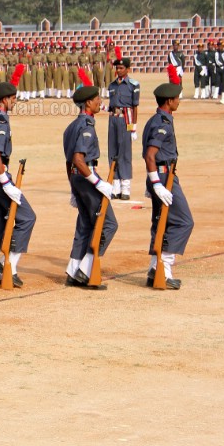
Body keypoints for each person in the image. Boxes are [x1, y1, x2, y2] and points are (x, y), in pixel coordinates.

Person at [0, 81, 35, 287]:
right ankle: (8, 265)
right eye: (13, 99)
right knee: (27, 217)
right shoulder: (2, 121)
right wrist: (6, 183)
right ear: (4, 100)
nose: (15, 102)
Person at [62, 84, 117, 289]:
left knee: (85, 225)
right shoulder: (86, 125)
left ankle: (72, 268)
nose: (100, 102)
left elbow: (69, 162)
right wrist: (97, 182)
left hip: (77, 178)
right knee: (108, 223)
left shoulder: (71, 127)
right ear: (88, 103)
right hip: (87, 176)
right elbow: (78, 159)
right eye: (97, 99)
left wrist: (73, 188)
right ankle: (85, 270)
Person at [142, 83, 194, 289]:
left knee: (161, 222)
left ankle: (155, 269)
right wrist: (156, 183)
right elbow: (150, 155)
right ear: (169, 101)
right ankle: (166, 268)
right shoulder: (162, 122)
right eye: (177, 98)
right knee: (183, 221)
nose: (179, 101)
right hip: (164, 178)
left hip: (162, 176)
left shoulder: (155, 119)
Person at [107, 57, 139, 201]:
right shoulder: (112, 85)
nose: (118, 70)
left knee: (125, 153)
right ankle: (115, 185)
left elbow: (134, 108)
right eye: (117, 68)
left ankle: (125, 186)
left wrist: (134, 128)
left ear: (127, 69)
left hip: (126, 120)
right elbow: (110, 106)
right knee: (113, 152)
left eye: (121, 68)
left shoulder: (133, 85)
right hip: (113, 119)